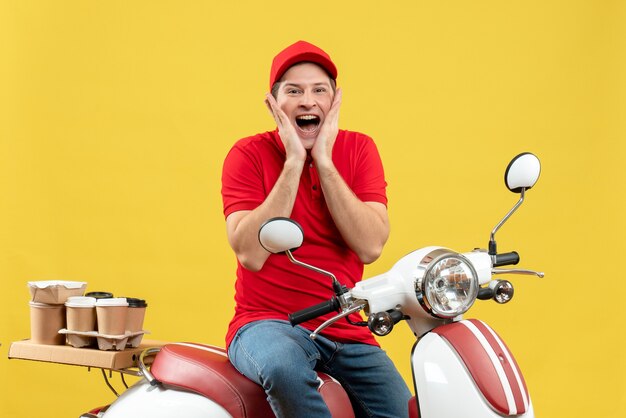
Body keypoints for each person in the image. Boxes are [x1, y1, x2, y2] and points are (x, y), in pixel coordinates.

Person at [221, 40, 411, 418]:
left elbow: (370, 246)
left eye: (318, 90)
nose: (308, 101)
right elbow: (249, 253)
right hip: (265, 324)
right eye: (294, 91)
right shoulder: (247, 154)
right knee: (282, 368)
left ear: (334, 101)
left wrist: (323, 160)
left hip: (346, 328)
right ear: (274, 105)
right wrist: (294, 161)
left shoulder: (359, 150)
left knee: (402, 410)